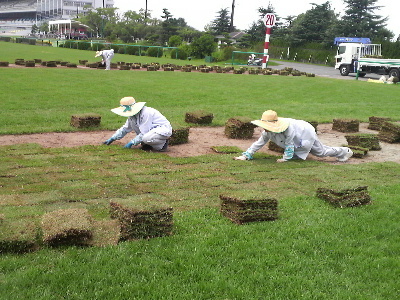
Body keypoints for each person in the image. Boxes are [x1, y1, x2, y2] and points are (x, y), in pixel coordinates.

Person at [234, 110, 353, 163]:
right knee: (308, 150)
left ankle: (345, 151)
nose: (264, 128)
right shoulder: (267, 131)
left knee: (320, 152)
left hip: (305, 132)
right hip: (299, 134)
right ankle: (295, 156)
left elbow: (289, 144)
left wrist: (285, 159)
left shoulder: (287, 129)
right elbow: (259, 143)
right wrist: (246, 155)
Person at [103, 97, 172, 151]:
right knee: (139, 130)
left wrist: (132, 143)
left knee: (146, 138)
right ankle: (147, 144)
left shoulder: (146, 113)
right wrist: (112, 138)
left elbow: (144, 132)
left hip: (162, 130)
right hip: (152, 131)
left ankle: (162, 145)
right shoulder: (132, 116)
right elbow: (125, 128)